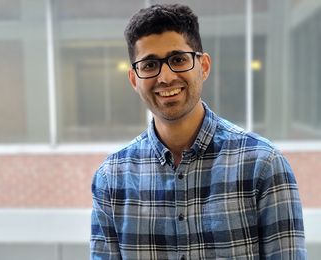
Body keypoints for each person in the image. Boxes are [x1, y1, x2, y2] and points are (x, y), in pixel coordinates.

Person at [90, 4, 307, 260]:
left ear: (203, 66)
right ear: (134, 79)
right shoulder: (112, 178)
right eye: (149, 64)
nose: (166, 77)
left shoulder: (263, 165)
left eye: (178, 59)